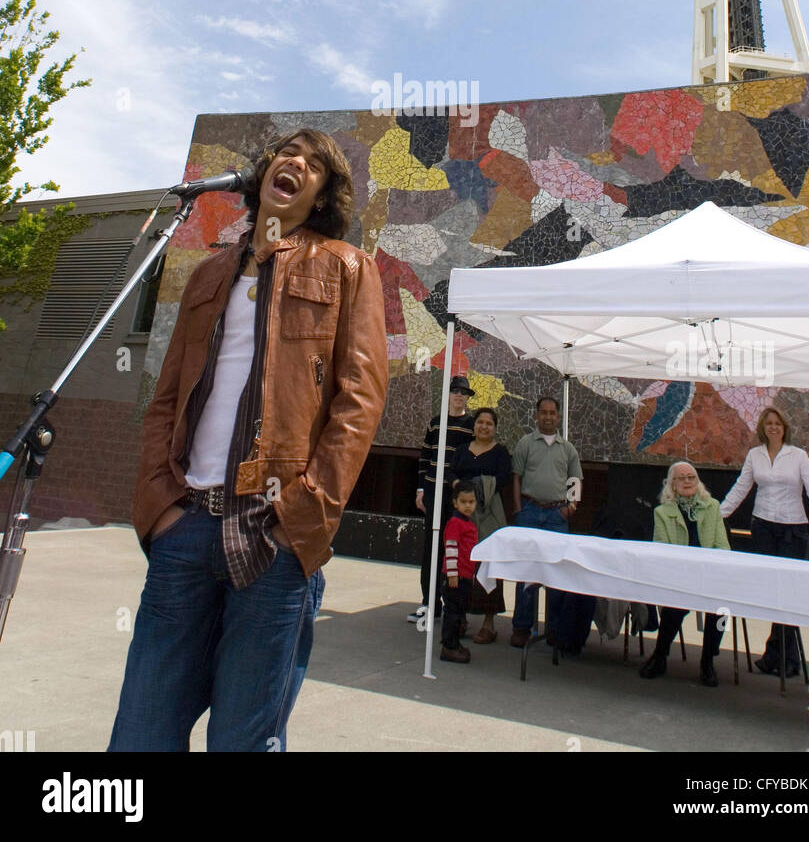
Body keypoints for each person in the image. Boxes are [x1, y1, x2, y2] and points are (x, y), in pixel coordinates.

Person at [108, 129, 389, 752]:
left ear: (320, 196)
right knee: (141, 733)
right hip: (185, 527)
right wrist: (161, 505)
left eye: (313, 165)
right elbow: (165, 400)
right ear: (264, 173)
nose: (295, 163)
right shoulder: (210, 271)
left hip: (272, 530)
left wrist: (305, 513)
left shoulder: (346, 268)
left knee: (243, 740)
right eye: (287, 153)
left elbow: (360, 400)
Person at [719, 405, 809, 677]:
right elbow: (742, 486)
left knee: (788, 592)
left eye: (778, 423)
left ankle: (785, 657)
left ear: (785, 427)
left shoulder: (798, 456)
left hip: (793, 529)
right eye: (768, 423)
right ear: (763, 429)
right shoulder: (755, 455)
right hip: (763, 526)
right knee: (771, 591)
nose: (773, 427)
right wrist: (718, 514)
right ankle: (778, 655)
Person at [509, 396, 595, 654]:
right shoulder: (526, 443)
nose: (547, 417)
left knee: (557, 573)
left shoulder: (567, 449)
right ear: (536, 415)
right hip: (530, 511)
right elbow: (516, 477)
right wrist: (517, 508)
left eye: (552, 413)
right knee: (526, 573)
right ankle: (521, 627)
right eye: (543, 413)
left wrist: (571, 508)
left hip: (557, 515)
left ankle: (555, 629)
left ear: (558, 417)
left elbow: (575, 480)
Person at [639, 462, 729, 687]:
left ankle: (708, 661)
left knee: (722, 611)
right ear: (672, 484)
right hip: (679, 576)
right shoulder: (662, 512)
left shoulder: (712, 506)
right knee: (674, 607)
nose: (688, 482)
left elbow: (722, 547)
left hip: (709, 575)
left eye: (692, 477)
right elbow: (661, 549)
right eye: (682, 478)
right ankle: (660, 656)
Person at [409, 375, 475, 624]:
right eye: (455, 391)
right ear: (449, 395)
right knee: (431, 547)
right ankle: (429, 603)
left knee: (454, 548)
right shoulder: (436, 423)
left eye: (463, 393)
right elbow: (425, 457)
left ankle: (454, 606)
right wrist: (420, 490)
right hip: (433, 489)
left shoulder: (471, 425)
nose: (459, 396)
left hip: (456, 495)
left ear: (468, 398)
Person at [449, 407, 512, 643]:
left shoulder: (500, 452)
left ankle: (488, 623)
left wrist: (480, 487)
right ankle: (461, 617)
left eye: (489, 423)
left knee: (488, 566)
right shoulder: (463, 449)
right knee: (463, 563)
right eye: (480, 422)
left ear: (495, 428)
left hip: (488, 513)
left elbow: (504, 477)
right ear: (474, 425)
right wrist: (457, 484)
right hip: (463, 513)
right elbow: (452, 471)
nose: (484, 426)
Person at [440, 481, 480, 664]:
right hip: (456, 577)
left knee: (459, 611)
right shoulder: (455, 523)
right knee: (453, 613)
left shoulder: (468, 523)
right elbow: (450, 547)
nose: (467, 506)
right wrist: (452, 573)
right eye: (463, 502)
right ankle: (449, 646)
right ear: (455, 503)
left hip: (465, 575)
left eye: (471, 502)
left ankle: (454, 643)